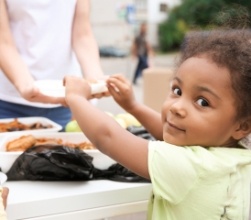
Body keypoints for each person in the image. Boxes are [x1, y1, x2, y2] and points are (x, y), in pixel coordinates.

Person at [63, 29, 251, 219]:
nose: (177, 107)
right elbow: (168, 132)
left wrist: (76, 98)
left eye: (202, 102)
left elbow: (108, 137)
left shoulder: (194, 168)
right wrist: (133, 106)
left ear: (242, 126)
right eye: (177, 90)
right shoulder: (239, 157)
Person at [0, 0, 104, 128]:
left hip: (65, 101)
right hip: (10, 103)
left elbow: (82, 34)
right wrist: (26, 86)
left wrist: (96, 81)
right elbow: (3, 41)